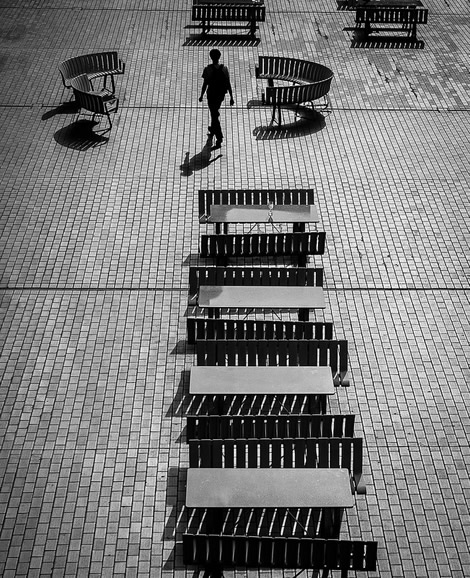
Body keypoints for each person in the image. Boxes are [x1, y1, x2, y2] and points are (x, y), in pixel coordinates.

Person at [199, 49, 234, 149]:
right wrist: (231, 97)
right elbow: (228, 83)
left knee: (214, 115)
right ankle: (213, 129)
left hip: (211, 95)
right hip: (220, 95)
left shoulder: (208, 69)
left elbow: (205, 84)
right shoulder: (224, 68)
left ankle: (219, 138)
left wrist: (201, 95)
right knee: (214, 112)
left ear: (211, 57)